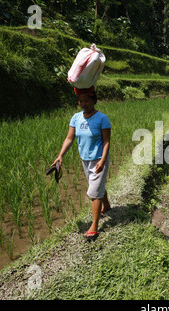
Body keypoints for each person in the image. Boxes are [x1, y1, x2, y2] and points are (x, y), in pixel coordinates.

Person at [51, 86, 111, 240]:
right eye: (81, 101)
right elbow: (69, 138)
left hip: (98, 158)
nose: (84, 104)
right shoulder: (76, 118)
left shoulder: (102, 118)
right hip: (85, 159)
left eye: (87, 101)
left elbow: (106, 141)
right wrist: (60, 156)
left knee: (94, 192)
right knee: (96, 186)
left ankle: (94, 226)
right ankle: (108, 205)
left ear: (93, 101)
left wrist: (103, 160)